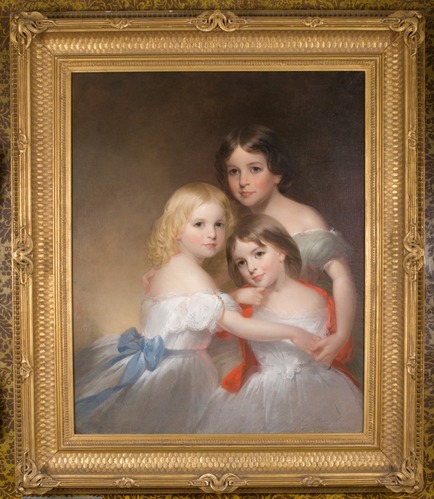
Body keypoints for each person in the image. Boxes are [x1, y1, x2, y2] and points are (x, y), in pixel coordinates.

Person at [74, 183, 320, 434]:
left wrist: (234, 295)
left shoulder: (166, 267)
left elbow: (198, 307)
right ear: (176, 229)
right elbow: (239, 325)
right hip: (178, 376)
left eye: (219, 225)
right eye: (199, 225)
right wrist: (291, 332)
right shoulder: (195, 277)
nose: (211, 234)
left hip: (156, 364)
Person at [197, 214, 363, 434]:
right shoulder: (248, 302)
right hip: (262, 394)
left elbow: (341, 349)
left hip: (320, 392)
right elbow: (216, 326)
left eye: (258, 254)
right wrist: (236, 297)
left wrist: (332, 347)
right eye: (242, 263)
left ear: (281, 251)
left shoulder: (320, 297)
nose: (252, 267)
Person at [214, 124, 357, 368]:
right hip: (261, 337)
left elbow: (341, 278)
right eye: (234, 172)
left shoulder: (305, 219)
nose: (243, 182)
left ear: (277, 173)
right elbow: (214, 283)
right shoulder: (234, 226)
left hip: (308, 333)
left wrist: (341, 335)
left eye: (255, 169)